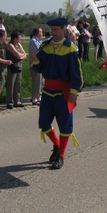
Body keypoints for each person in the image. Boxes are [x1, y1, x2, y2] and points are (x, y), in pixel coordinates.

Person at [30, 17, 83, 170]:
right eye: (51, 30)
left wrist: (74, 91)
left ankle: (61, 156)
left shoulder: (70, 48)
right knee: (44, 124)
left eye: (56, 30)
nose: (53, 33)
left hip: (64, 92)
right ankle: (57, 145)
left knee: (65, 126)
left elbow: (76, 73)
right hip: (47, 91)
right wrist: (35, 60)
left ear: (63, 30)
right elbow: (39, 69)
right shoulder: (45, 46)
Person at [6, 31, 27, 108]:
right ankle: (9, 101)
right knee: (11, 83)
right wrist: (21, 56)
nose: (20, 39)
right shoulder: (10, 45)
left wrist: (21, 56)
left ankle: (17, 100)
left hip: (19, 65)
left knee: (18, 83)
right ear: (15, 38)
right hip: (12, 66)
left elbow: (24, 54)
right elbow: (17, 55)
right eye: (19, 38)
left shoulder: (18, 44)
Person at [29, 27, 43, 105]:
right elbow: (39, 51)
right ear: (37, 33)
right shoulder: (33, 41)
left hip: (39, 64)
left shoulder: (39, 41)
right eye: (41, 32)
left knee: (40, 81)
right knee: (36, 81)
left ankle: (38, 96)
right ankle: (34, 97)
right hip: (35, 64)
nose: (42, 33)